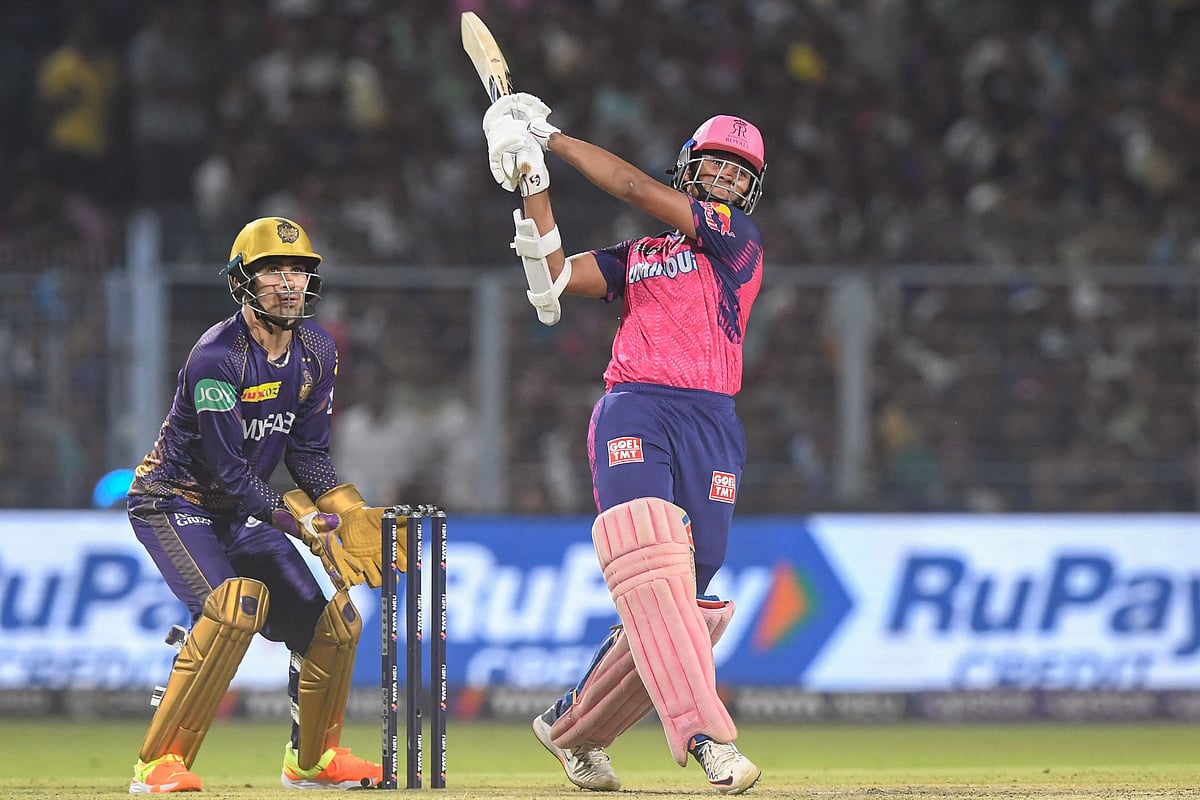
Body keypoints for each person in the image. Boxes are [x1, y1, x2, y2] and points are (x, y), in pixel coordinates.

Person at [482, 96, 767, 795]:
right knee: (650, 566)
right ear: (690, 167)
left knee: (686, 604)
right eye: (715, 166)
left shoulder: (736, 239)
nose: (726, 180)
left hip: (712, 419)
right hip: (635, 406)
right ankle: (706, 738)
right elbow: (553, 278)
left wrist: (551, 138)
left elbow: (635, 187)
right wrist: (533, 180)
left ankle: (571, 728)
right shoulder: (638, 256)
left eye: (738, 174)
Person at [125, 216, 398, 793]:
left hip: (237, 510)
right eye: (272, 270)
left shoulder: (317, 350)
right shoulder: (217, 358)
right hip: (172, 500)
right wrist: (306, 524)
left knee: (335, 625)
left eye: (298, 270)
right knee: (232, 608)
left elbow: (308, 453)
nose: (289, 283)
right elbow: (230, 472)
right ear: (241, 282)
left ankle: (312, 762)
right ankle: (158, 765)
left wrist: (348, 512)